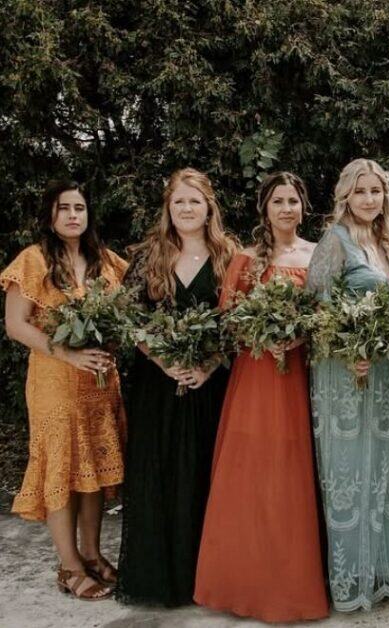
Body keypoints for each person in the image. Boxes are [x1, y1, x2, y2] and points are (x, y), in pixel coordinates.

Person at [193, 172, 329, 622]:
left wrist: (298, 336)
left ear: (303, 207)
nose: (287, 209)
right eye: (278, 201)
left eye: (293, 201)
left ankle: (291, 584)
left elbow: (329, 313)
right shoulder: (246, 259)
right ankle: (241, 581)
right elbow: (227, 321)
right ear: (264, 209)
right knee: (252, 471)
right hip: (256, 376)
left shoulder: (319, 255)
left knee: (294, 471)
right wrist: (261, 334)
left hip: (303, 374)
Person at [116, 168, 238, 606]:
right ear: (168, 208)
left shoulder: (230, 256)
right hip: (159, 386)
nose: (187, 209)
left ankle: (207, 579)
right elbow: (129, 317)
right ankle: (164, 579)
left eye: (194, 201)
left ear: (209, 207)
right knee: (162, 473)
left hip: (212, 386)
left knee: (207, 474)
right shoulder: (149, 255)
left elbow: (239, 320)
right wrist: (166, 362)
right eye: (178, 202)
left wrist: (208, 365)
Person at [1, 180, 128, 600]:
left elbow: (130, 307)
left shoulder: (105, 261)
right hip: (55, 381)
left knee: (93, 467)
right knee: (61, 466)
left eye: (79, 208)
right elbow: (16, 325)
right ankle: (69, 567)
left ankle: (92, 554)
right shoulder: (33, 260)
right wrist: (69, 354)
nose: (73, 215)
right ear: (50, 215)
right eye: (64, 208)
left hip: (99, 382)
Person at [306, 158, 389, 611]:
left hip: (388, 371)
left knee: (384, 469)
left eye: (376, 191)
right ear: (345, 195)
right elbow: (316, 308)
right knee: (348, 473)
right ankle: (350, 579)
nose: (369, 199)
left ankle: (383, 573)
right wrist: (350, 351)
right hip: (346, 372)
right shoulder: (334, 241)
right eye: (361, 191)